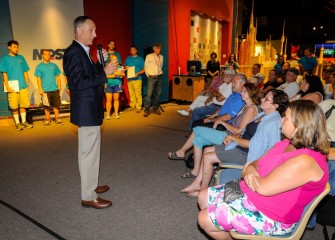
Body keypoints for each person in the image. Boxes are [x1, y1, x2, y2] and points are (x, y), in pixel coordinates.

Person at [197, 100, 329, 239]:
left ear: (299, 126)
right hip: (251, 192)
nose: (282, 119)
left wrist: (250, 170)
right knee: (202, 196)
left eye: (287, 118)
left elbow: (262, 188)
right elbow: (255, 162)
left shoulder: (306, 160)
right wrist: (251, 170)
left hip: (273, 214)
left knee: (204, 219)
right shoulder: (287, 143)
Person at [181, 89, 289, 198]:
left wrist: (232, 137)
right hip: (240, 147)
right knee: (207, 150)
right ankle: (196, 183)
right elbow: (245, 132)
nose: (262, 99)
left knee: (208, 157)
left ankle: (203, 192)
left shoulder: (272, 123)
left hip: (247, 155)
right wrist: (234, 138)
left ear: (275, 105)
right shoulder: (263, 114)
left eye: (266, 98)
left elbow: (254, 145)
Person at [63, 16, 116, 209]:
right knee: (88, 153)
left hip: (91, 108)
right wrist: (104, 73)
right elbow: (78, 83)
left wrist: (102, 67)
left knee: (92, 152)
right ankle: (87, 195)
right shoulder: (73, 53)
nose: (95, 34)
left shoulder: (83, 52)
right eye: (92, 30)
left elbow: (89, 75)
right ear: (79, 31)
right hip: (86, 110)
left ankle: (91, 185)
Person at [169, 83, 260, 178]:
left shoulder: (251, 109)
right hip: (229, 134)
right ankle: (195, 171)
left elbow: (239, 131)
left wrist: (222, 122)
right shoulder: (246, 106)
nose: (242, 93)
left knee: (197, 130)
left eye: (244, 91)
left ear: (251, 94)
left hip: (230, 137)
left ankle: (182, 152)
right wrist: (217, 120)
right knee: (198, 140)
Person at [0, 40, 33, 131]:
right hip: (12, 86)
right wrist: (7, 86)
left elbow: (25, 71)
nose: (16, 49)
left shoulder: (21, 58)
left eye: (17, 47)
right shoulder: (4, 59)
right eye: (14, 47)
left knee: (23, 105)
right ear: (9, 47)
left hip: (22, 85)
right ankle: (18, 123)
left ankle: (23, 122)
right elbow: (4, 73)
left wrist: (26, 83)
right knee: (14, 106)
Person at [35, 49, 63, 126]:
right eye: (45, 54)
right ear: (42, 55)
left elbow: (58, 76)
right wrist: (40, 89)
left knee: (56, 105)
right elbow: (38, 79)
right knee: (46, 106)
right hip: (45, 90)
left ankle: (57, 118)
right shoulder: (39, 67)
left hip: (55, 89)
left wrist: (59, 86)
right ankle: (47, 119)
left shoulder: (54, 66)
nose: (47, 56)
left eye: (48, 54)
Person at [143, 43, 164, 117]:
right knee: (148, 94)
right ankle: (146, 109)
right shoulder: (149, 56)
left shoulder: (161, 57)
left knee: (157, 94)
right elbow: (145, 67)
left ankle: (155, 108)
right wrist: (149, 75)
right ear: (154, 49)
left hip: (159, 77)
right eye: (157, 48)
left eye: (160, 48)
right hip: (151, 77)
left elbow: (160, 66)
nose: (159, 50)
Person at [124, 44, 145, 113]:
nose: (132, 51)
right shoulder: (128, 58)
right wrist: (126, 67)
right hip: (130, 79)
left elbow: (144, 69)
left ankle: (139, 107)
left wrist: (138, 73)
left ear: (136, 50)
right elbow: (124, 67)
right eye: (131, 50)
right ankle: (132, 106)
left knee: (138, 93)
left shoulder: (140, 59)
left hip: (137, 79)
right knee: (131, 93)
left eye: (134, 49)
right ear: (130, 51)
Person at [105, 54, 125, 119]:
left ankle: (116, 114)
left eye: (116, 59)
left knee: (116, 99)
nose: (115, 60)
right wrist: (112, 76)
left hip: (117, 84)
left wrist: (120, 74)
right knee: (108, 100)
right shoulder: (107, 67)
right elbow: (104, 76)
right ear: (110, 60)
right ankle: (108, 114)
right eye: (114, 59)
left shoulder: (119, 67)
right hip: (108, 84)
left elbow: (123, 74)